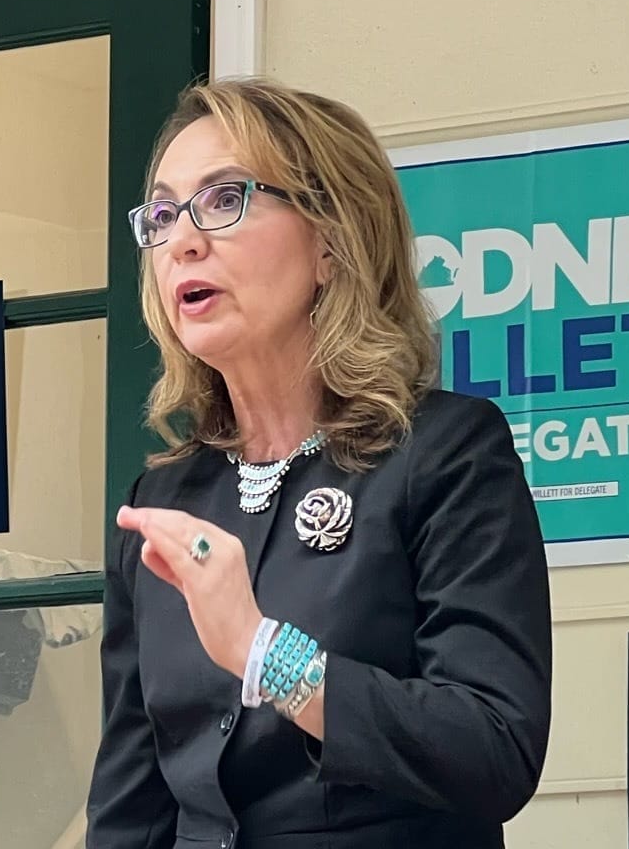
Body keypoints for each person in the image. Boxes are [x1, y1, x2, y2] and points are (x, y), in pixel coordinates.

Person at [85, 77, 552, 848]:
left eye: (224, 199)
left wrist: (268, 653)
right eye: (164, 215)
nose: (182, 241)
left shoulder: (447, 454)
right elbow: (131, 809)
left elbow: (495, 748)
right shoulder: (165, 499)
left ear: (331, 241)